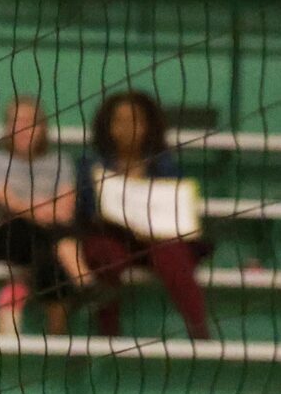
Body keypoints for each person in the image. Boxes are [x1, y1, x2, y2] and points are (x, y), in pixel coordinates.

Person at [76, 89, 211, 341]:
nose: (128, 128)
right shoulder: (91, 166)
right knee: (103, 255)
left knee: (173, 254)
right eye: (120, 121)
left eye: (135, 120)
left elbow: (178, 211)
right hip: (112, 237)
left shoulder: (166, 167)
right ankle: (109, 336)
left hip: (155, 240)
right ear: (108, 126)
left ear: (149, 126)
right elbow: (86, 212)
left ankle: (200, 332)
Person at [0, 95, 84, 337]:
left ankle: (50, 325)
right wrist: (40, 208)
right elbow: (5, 201)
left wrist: (34, 209)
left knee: (47, 250)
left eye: (30, 121)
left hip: (47, 238)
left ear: (42, 128)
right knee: (34, 233)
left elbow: (66, 209)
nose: (23, 128)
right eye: (16, 121)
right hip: (3, 237)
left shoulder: (61, 162)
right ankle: (81, 284)